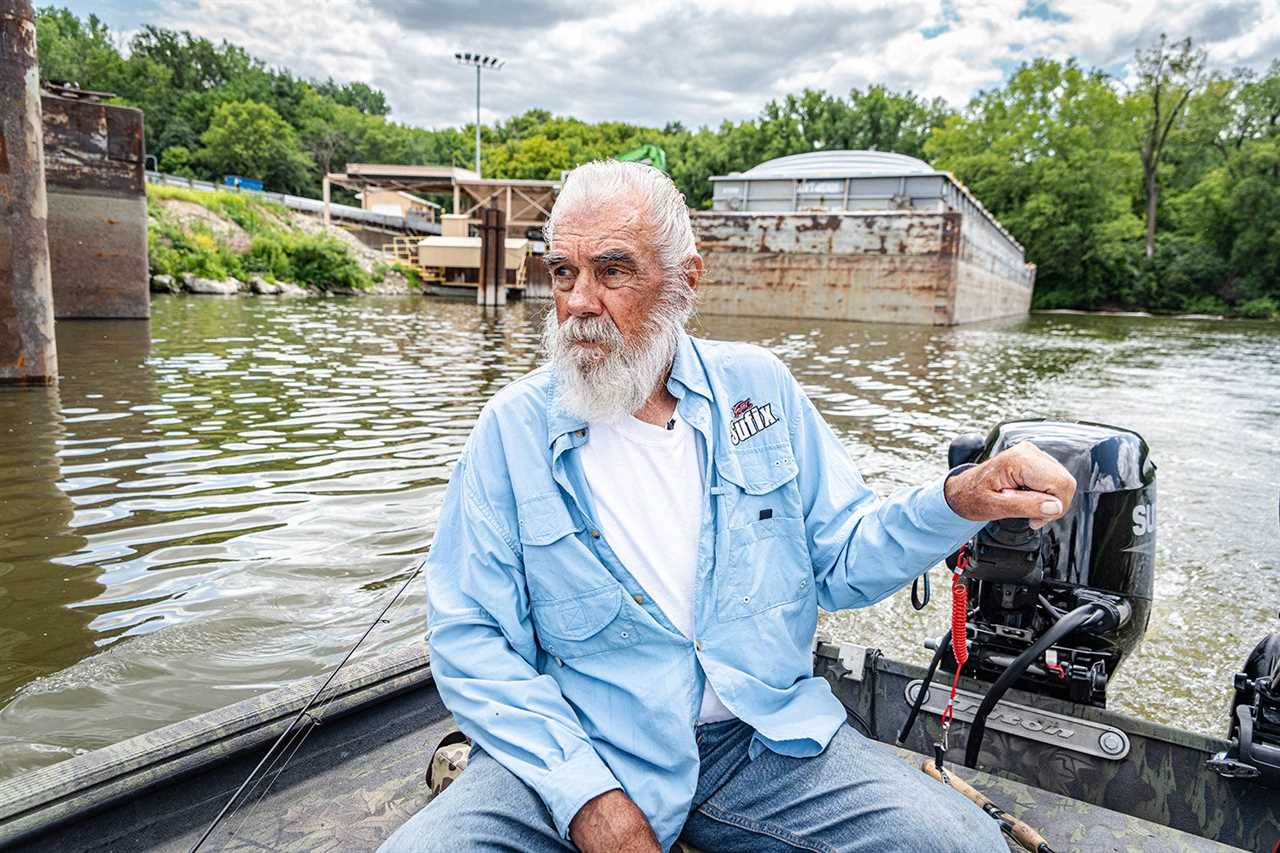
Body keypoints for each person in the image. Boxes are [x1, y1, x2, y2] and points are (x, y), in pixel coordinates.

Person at [379, 161, 1075, 853]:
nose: (578, 302)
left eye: (612, 271)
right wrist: (587, 795)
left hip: (761, 742)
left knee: (959, 845)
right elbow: (470, 639)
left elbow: (842, 558)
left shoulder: (759, 391)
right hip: (574, 741)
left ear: (687, 280)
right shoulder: (509, 430)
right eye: (564, 272)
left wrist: (961, 498)